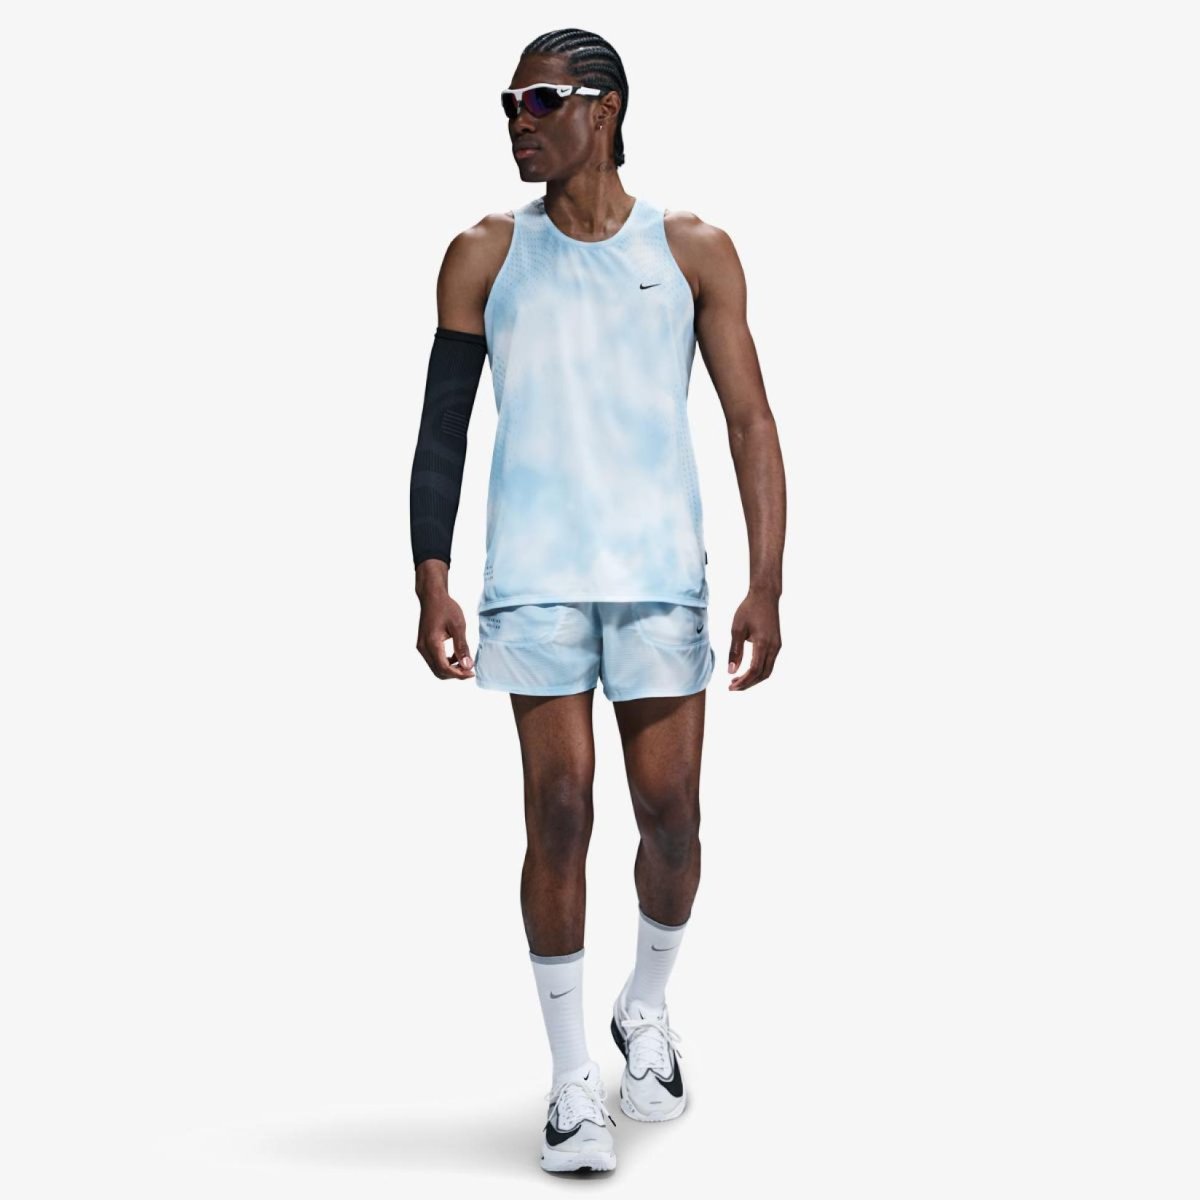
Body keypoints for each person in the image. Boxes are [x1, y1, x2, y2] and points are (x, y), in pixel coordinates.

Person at [410, 27, 785, 1175]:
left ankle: (646, 1007)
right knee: (561, 809)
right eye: (508, 103)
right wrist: (431, 575)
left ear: (603, 108)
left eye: (539, 100)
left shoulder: (693, 249)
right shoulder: (483, 253)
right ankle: (573, 1078)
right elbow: (442, 429)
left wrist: (767, 581)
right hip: (534, 578)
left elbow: (749, 420)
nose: (516, 120)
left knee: (672, 818)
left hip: (658, 574)